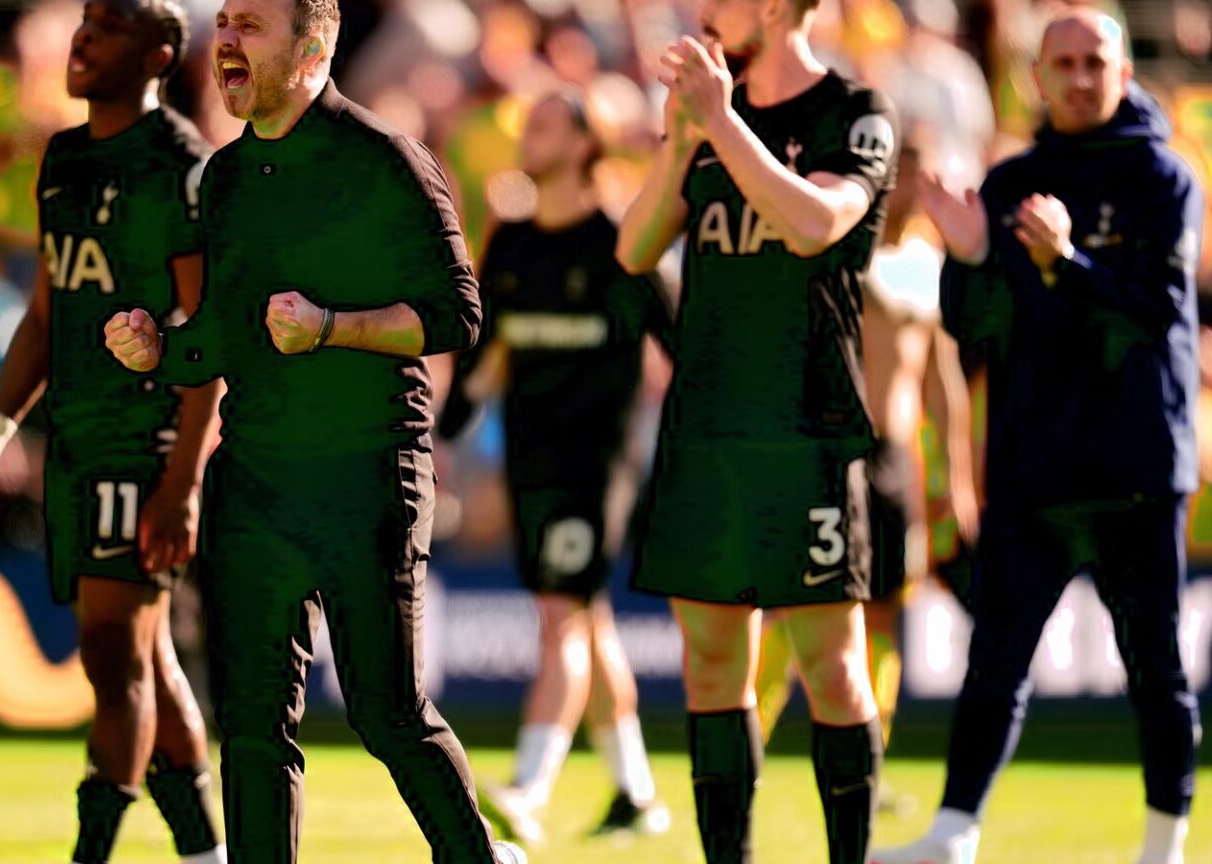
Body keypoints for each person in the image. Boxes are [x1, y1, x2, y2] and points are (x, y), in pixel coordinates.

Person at [101, 0, 527, 859]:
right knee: (253, 725)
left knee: (387, 711)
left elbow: (458, 317)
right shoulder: (221, 179)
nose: (224, 39)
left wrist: (336, 326)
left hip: (368, 470)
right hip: (256, 476)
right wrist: (158, 350)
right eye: (222, 22)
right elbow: (219, 337)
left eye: (250, 25)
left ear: (313, 47)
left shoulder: (385, 159)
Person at [872, 11, 1204, 864]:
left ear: (1125, 73)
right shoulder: (1012, 179)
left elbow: (1153, 316)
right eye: (1064, 63)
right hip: (1034, 464)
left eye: (1096, 61)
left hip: (1134, 464)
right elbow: (975, 331)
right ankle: (953, 835)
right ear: (1036, 77)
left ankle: (1165, 846)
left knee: (1155, 668)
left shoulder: (1164, 179)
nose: (1081, 77)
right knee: (996, 663)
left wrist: (1062, 262)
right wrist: (975, 254)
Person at [615, 0, 900, 860]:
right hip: (706, 425)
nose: (704, 11)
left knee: (833, 667)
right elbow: (635, 250)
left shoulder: (856, 113)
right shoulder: (709, 112)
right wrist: (679, 142)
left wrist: (722, 121)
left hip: (804, 428)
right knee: (710, 664)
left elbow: (816, 224)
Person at [0, 3, 225, 862]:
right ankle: (207, 852)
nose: (81, 39)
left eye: (107, 26)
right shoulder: (64, 158)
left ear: (159, 54)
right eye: (84, 21)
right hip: (73, 437)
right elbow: (44, 310)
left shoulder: (179, 165)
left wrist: (182, 481)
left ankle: (90, 851)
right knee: (142, 659)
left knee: (113, 656)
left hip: (143, 441)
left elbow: (204, 335)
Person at [439, 90, 672, 846]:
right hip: (530, 457)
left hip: (596, 463)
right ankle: (636, 790)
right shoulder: (511, 241)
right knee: (585, 617)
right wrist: (441, 437)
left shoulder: (621, 241)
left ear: (584, 141)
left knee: (560, 617)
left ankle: (528, 785)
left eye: (541, 124)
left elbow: (683, 347)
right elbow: (482, 360)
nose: (524, 136)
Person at [751, 136, 981, 791]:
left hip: (896, 460)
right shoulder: (844, 250)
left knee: (882, 610)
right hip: (830, 452)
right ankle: (750, 740)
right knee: (796, 604)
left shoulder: (926, 263)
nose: (914, 186)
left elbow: (943, 381)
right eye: (905, 173)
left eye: (926, 173)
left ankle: (866, 761)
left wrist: (955, 480)